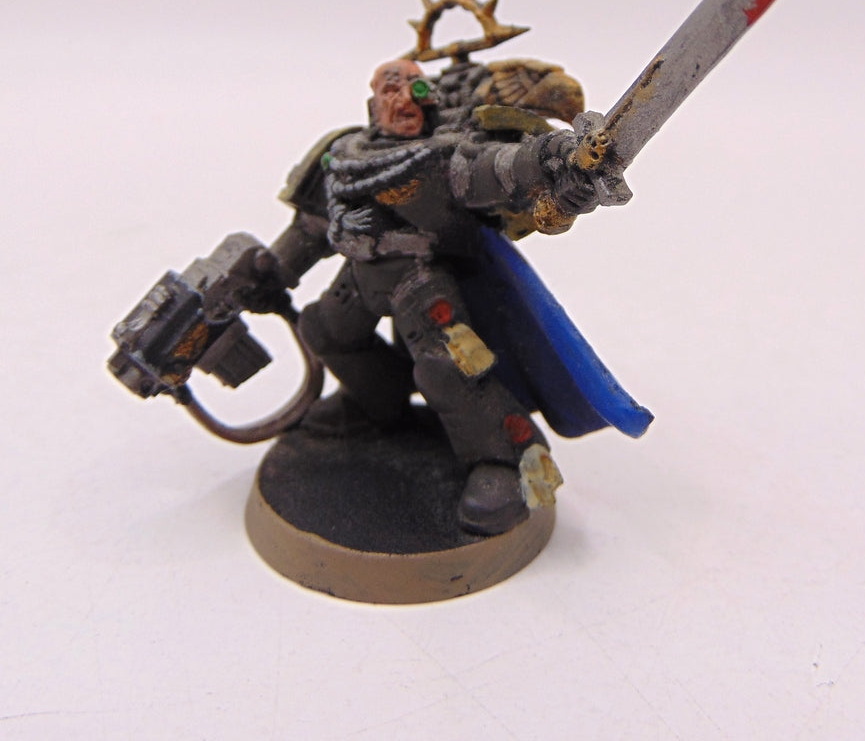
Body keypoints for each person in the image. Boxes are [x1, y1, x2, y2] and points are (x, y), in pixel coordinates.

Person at [245, 58, 600, 535]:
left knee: (445, 368)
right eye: (391, 88)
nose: (405, 99)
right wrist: (275, 270)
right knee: (324, 330)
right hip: (361, 275)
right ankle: (380, 402)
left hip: (420, 279)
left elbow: (504, 168)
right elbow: (310, 228)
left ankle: (506, 460)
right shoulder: (343, 155)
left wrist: (557, 154)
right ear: (373, 102)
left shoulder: (445, 158)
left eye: (416, 87)